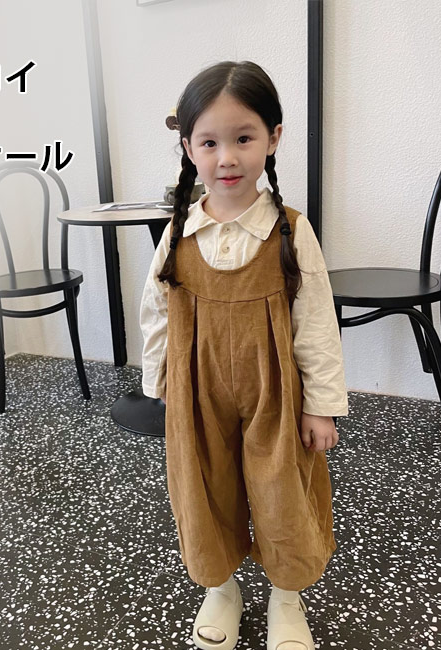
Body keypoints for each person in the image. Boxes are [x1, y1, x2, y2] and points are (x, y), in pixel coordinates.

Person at [139, 61, 348, 650]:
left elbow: (316, 321)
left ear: (273, 138)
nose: (226, 157)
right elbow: (155, 311)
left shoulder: (290, 232)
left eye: (243, 138)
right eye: (209, 143)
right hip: (197, 390)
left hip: (276, 393)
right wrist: (160, 385)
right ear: (188, 148)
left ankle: (286, 596)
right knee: (204, 489)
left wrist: (321, 404)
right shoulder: (177, 233)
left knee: (284, 493)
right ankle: (221, 589)